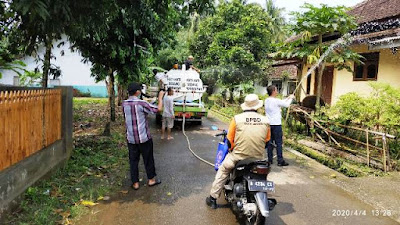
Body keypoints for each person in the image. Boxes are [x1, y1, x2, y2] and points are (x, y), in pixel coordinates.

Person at [206, 94, 271, 209]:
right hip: (258, 159)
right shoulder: (266, 120)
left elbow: (230, 141)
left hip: (238, 157)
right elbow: (267, 141)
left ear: (245, 106)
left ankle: (212, 198)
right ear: (257, 106)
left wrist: (232, 150)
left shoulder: (237, 119)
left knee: (224, 170)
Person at [122, 82, 165, 190]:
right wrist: (160, 98)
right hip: (144, 138)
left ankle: (135, 183)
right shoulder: (141, 103)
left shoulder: (124, 104)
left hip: (131, 139)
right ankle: (151, 180)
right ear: (137, 92)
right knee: (148, 159)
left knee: (133, 161)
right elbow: (158, 110)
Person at [264, 85, 295, 167]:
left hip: (269, 125)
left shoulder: (267, 100)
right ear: (274, 91)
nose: (277, 92)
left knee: (270, 143)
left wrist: (288, 97)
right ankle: (280, 160)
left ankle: (270, 160)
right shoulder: (276, 101)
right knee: (278, 143)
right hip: (276, 125)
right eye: (276, 90)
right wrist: (291, 98)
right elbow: (286, 105)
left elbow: (281, 102)